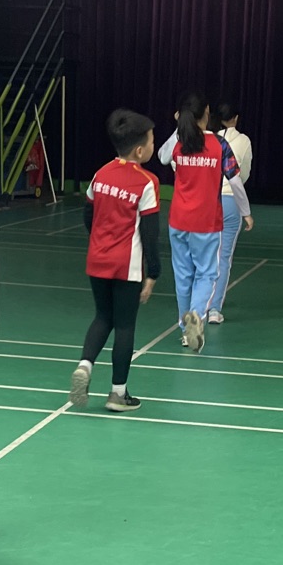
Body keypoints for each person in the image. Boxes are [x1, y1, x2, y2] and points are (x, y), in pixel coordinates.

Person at [69, 109, 161, 413]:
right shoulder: (147, 182)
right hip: (126, 266)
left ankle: (85, 365)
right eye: (151, 141)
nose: (153, 145)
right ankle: (118, 394)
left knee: (102, 317)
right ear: (139, 151)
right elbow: (150, 233)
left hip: (97, 259)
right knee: (124, 325)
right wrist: (153, 272)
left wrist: (100, 240)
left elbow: (88, 214)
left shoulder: (100, 174)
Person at [166, 91, 252, 353]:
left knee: (183, 275)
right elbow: (235, 181)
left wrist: (177, 128)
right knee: (207, 273)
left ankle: (185, 330)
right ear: (206, 114)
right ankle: (196, 314)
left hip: (178, 220)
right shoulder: (219, 145)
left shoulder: (180, 142)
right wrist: (245, 211)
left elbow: (161, 156)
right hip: (206, 221)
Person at [210, 100, 253, 324]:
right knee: (223, 257)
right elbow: (241, 174)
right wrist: (246, 211)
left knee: (204, 254)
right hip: (230, 201)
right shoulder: (243, 140)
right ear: (235, 118)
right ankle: (214, 309)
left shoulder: (208, 139)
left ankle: (198, 304)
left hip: (207, 201)